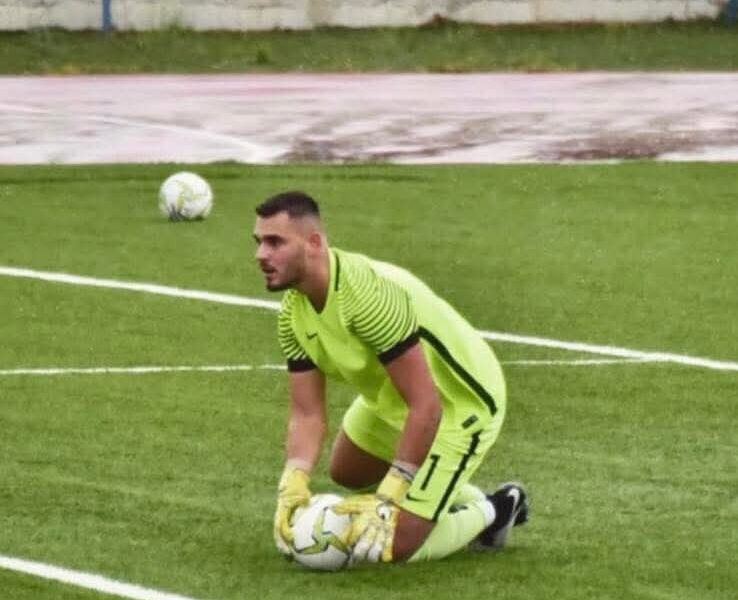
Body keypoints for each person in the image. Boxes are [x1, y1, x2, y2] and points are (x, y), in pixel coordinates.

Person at [253, 190, 528, 565]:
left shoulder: (366, 297)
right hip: (395, 394)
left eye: (275, 242)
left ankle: (497, 508)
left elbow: (427, 406)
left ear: (314, 243)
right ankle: (442, 493)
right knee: (348, 470)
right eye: (258, 242)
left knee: (392, 546)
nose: (261, 255)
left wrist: (389, 495)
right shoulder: (291, 314)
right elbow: (307, 413)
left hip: (459, 403)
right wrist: (293, 481)